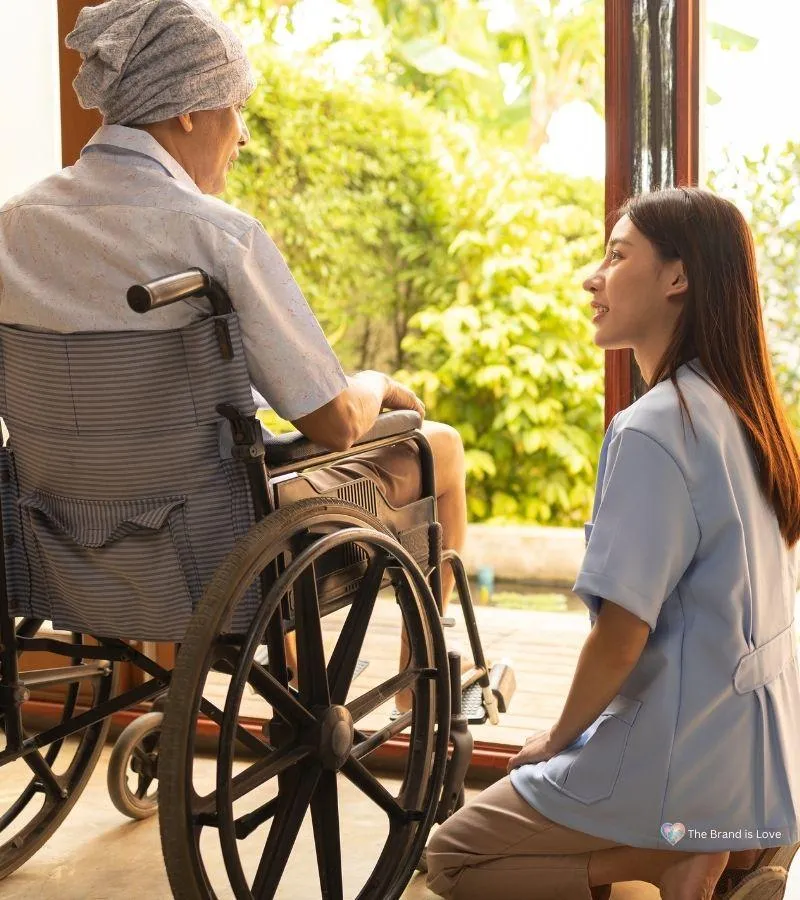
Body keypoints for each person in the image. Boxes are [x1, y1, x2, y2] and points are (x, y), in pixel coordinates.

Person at [0, 0, 467, 688]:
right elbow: (333, 422)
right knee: (441, 447)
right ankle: (420, 690)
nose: (242, 136)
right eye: (236, 107)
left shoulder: (14, 227)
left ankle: (308, 681)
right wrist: (373, 382)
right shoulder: (216, 235)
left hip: (56, 545)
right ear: (187, 110)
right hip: (209, 552)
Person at [426, 187, 800, 900]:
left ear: (677, 277)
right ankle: (743, 848)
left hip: (679, 760)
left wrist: (555, 739)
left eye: (616, 254)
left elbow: (621, 636)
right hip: (763, 755)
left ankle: (666, 862)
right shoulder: (748, 414)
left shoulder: (654, 429)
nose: (592, 277)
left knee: (452, 859)